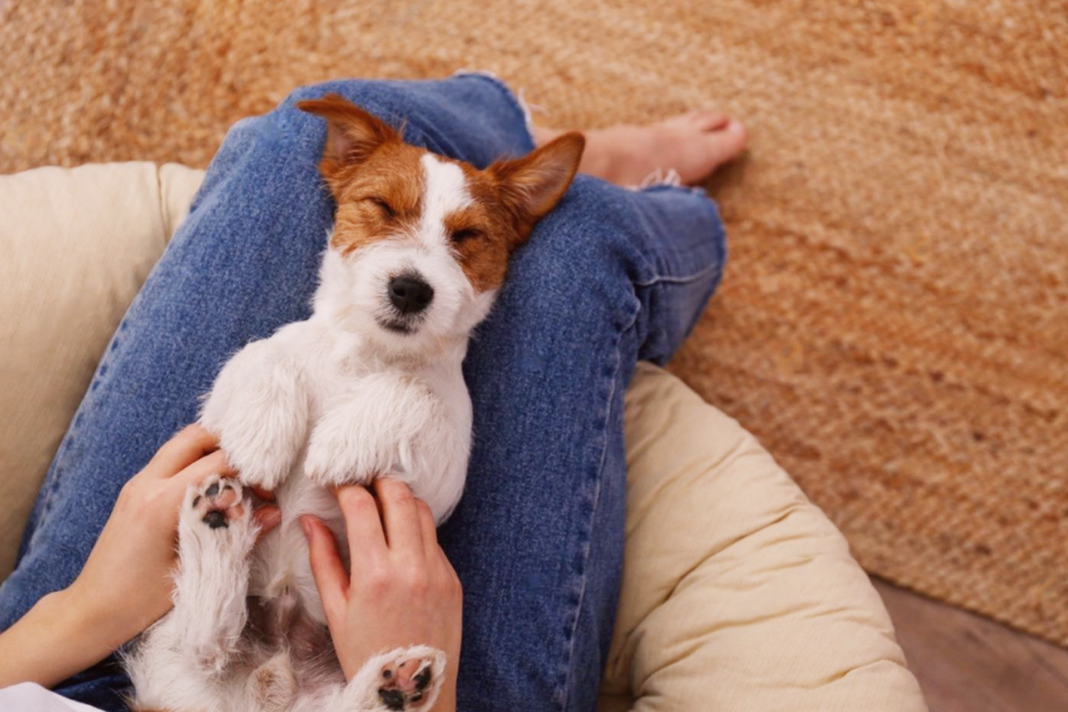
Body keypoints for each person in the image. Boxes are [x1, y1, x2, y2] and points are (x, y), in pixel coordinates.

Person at [0, 73, 746, 712]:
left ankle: (518, 135)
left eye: (464, 236)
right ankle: (664, 201)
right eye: (384, 213)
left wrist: (79, 611)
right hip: (362, 670)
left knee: (306, 127)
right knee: (584, 236)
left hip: (73, 656)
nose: (419, 259)